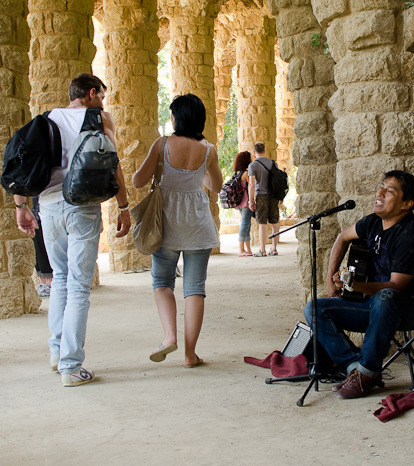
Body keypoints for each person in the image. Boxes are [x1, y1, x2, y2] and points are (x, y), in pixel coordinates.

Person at [14, 73, 132, 386]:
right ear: (91, 93)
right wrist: (123, 206)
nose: (103, 102)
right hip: (83, 206)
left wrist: (20, 206)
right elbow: (114, 164)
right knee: (79, 285)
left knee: (61, 279)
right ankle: (71, 366)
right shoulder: (100, 118)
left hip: (49, 206)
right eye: (102, 96)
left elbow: (22, 162)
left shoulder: (47, 119)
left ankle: (56, 352)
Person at [304, 170, 414, 399]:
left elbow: (396, 286)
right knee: (315, 308)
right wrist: (331, 280)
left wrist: (358, 286)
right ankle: (355, 370)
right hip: (375, 306)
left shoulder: (410, 236)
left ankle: (367, 372)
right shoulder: (373, 222)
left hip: (412, 309)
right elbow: (342, 237)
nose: (380, 193)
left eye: (390, 191)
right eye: (381, 187)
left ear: (407, 204)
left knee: (386, 296)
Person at [133, 93, 222, 367]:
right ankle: (189, 355)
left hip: (166, 227)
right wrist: (198, 173)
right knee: (195, 289)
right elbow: (215, 186)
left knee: (162, 283)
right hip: (198, 226)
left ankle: (169, 337)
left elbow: (138, 181)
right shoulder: (209, 149)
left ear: (177, 117)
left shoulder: (162, 145)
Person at [248, 141, 279, 257]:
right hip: (273, 195)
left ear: (254, 152)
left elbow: (251, 185)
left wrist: (251, 200)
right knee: (275, 222)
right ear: (264, 151)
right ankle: (274, 248)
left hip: (261, 195)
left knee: (262, 223)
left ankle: (262, 250)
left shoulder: (253, 165)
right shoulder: (272, 163)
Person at [233, 150, 253, 257]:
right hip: (246, 202)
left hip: (239, 203)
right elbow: (252, 186)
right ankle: (241, 249)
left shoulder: (237, 173)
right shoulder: (246, 173)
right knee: (245, 224)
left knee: (247, 224)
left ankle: (248, 249)